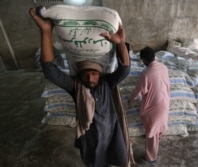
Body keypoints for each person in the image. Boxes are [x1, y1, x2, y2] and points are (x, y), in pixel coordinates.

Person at [29, 6, 130, 167]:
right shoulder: (75, 87)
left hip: (111, 132)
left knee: (115, 157)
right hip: (89, 136)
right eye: (86, 74)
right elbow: (50, 70)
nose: (90, 77)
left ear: (100, 74)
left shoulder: (107, 84)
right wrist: (46, 31)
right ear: (79, 75)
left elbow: (124, 69)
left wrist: (120, 43)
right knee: (94, 161)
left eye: (94, 73)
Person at [128, 47, 170, 165]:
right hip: (165, 103)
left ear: (144, 59)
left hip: (153, 108)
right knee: (157, 131)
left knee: (152, 134)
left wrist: (130, 99)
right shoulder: (164, 68)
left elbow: (139, 90)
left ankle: (151, 157)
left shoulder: (147, 74)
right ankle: (153, 152)